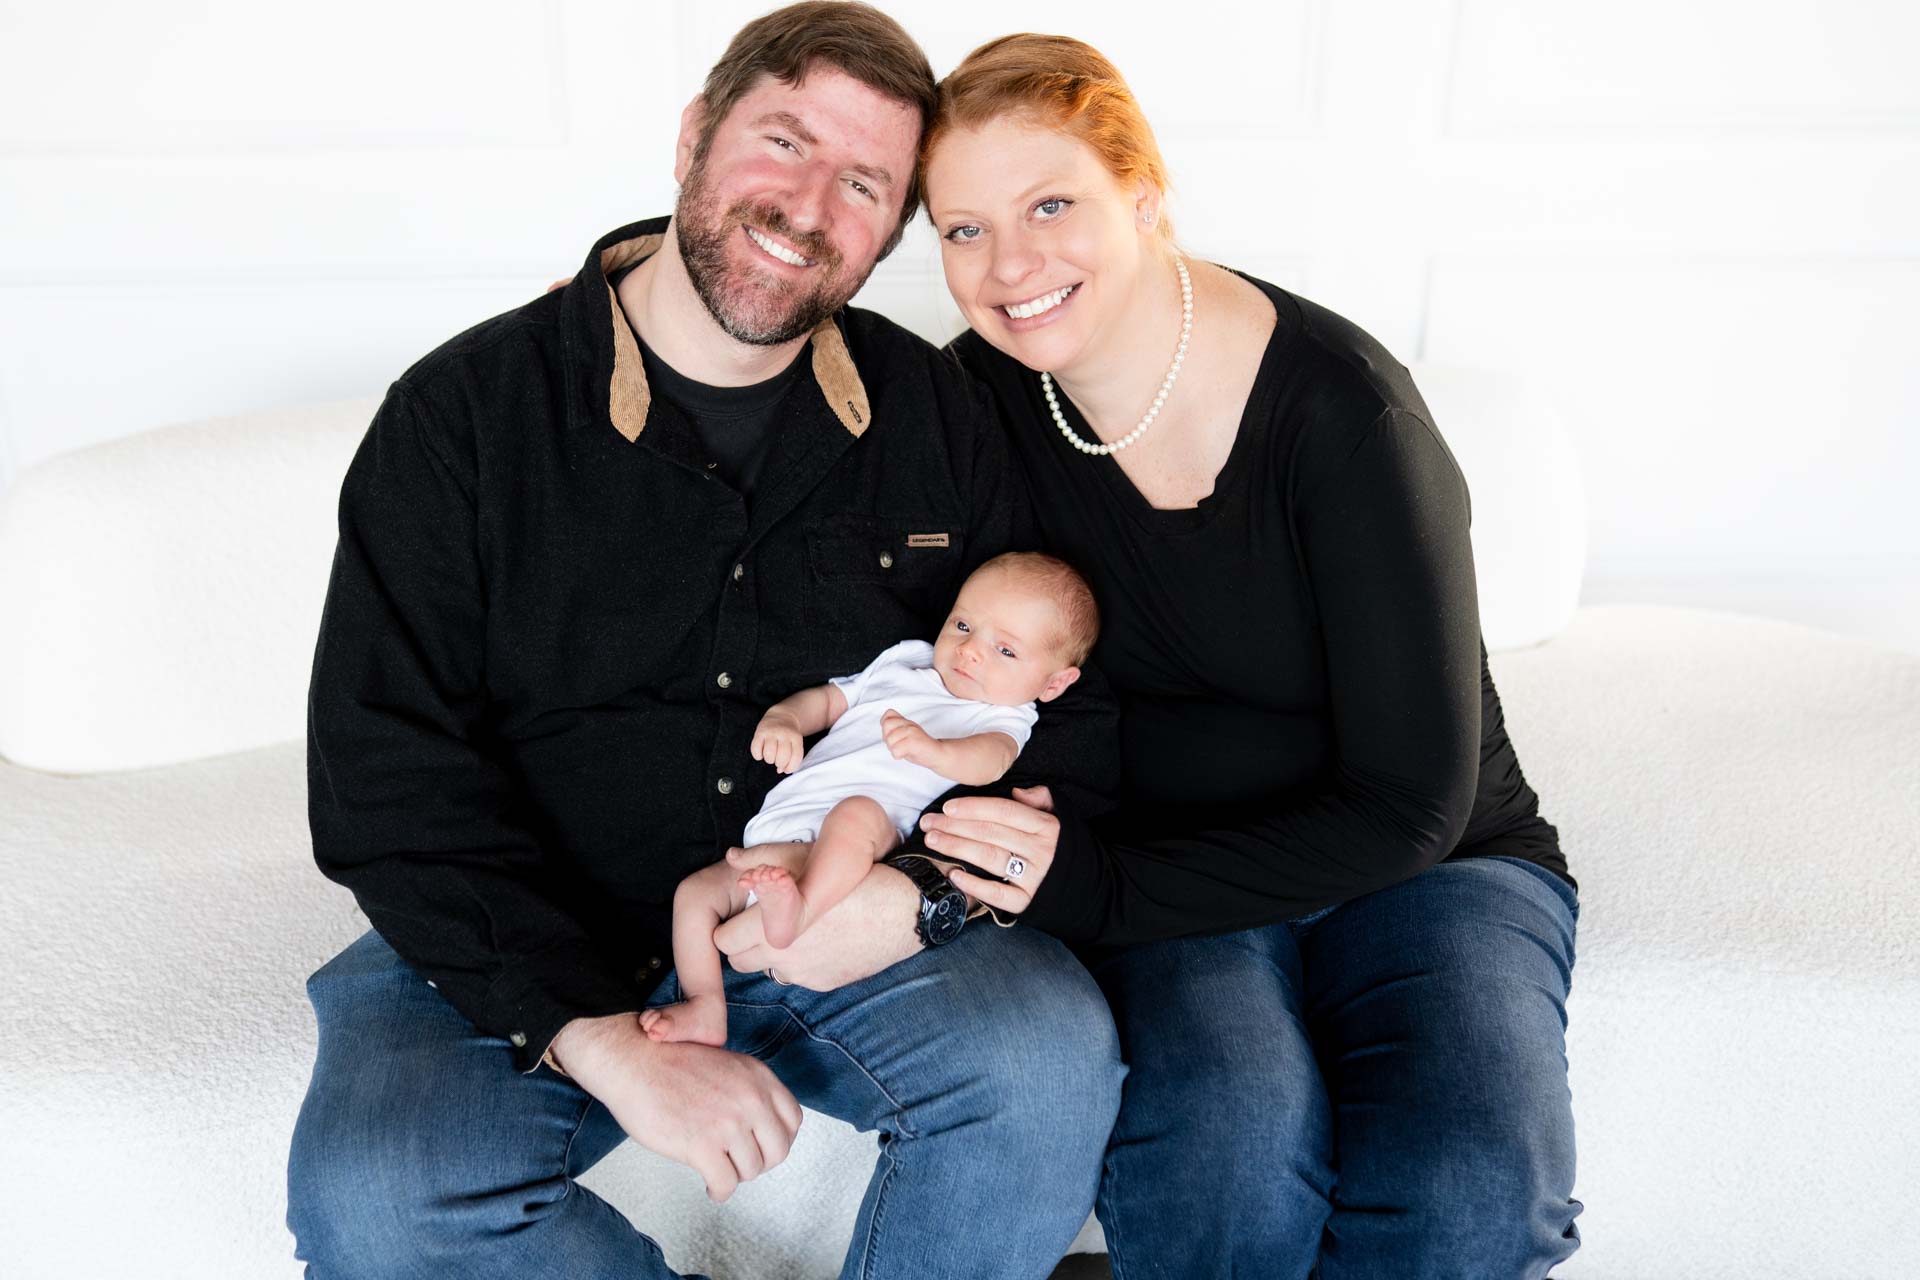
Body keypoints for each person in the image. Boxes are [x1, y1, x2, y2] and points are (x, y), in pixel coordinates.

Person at [285, 7, 1124, 1279]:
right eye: (780, 143)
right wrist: (598, 1034)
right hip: (527, 916)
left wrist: (925, 895)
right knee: (385, 1197)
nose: (805, 205)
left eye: (862, 183)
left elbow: (1047, 709)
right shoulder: (462, 417)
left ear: (891, 228)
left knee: (1050, 1064)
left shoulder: (937, 411)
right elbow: (382, 780)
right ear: (693, 137)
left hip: (825, 910)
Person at [901, 33, 1584, 1279]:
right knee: (1222, 1161)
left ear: (1144, 197)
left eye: (1053, 204)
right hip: (1166, 852)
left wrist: (1094, 891)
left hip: (1425, 860)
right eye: (962, 230)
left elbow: (1412, 804)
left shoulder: (1347, 418)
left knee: (1474, 1192)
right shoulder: (975, 405)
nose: (1010, 265)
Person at [643, 551, 1096, 1048]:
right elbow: (833, 699)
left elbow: (989, 762)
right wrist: (786, 718)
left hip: (861, 839)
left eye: (1005, 651)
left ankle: (801, 910)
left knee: (855, 815)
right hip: (778, 829)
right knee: (694, 894)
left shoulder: (1005, 716)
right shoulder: (905, 659)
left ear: (1054, 683)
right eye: (963, 624)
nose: (970, 651)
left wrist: (933, 750)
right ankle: (705, 1005)